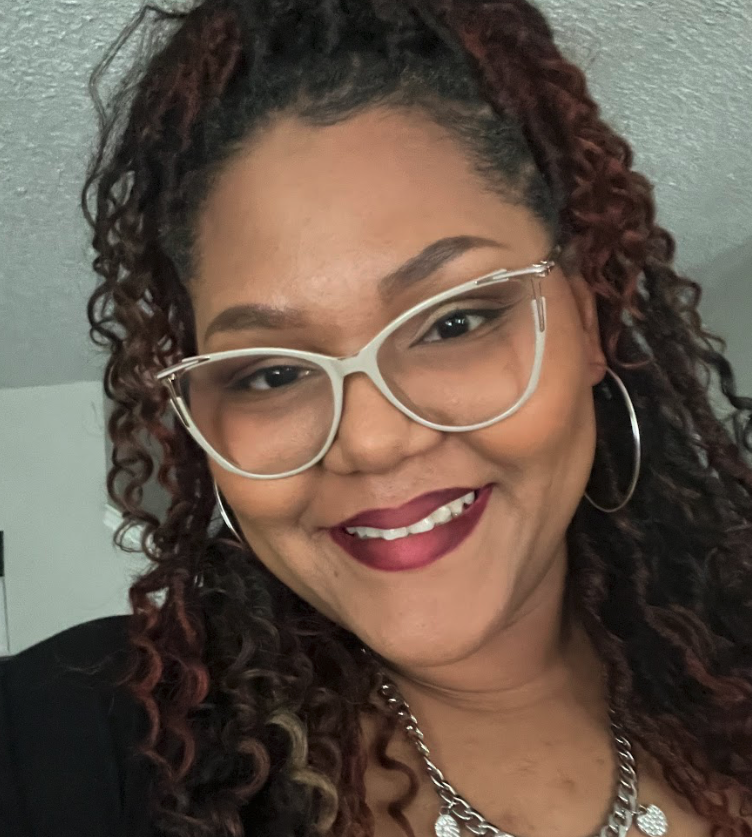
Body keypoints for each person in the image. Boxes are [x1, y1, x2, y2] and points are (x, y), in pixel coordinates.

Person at [2, 1, 751, 835]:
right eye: (273, 372)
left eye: (453, 322)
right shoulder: (77, 744)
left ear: (587, 321)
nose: (371, 439)